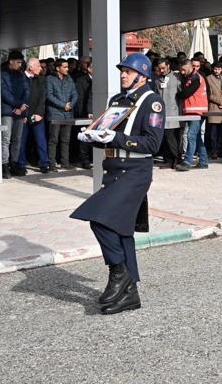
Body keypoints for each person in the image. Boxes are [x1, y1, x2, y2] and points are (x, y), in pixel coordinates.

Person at [70, 53, 164, 315]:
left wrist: (116, 137)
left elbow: (152, 144)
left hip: (135, 170)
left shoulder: (152, 102)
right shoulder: (117, 101)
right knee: (121, 230)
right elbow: (108, 135)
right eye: (122, 70)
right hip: (113, 169)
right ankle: (130, 294)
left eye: (128, 71)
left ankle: (118, 274)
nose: (123, 74)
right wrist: (94, 137)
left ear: (142, 76)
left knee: (98, 219)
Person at [18, 57, 51, 174]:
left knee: (41, 140)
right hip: (23, 116)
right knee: (21, 142)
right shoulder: (20, 78)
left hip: (37, 115)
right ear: (31, 67)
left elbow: (43, 98)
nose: (40, 68)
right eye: (38, 66)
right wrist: (24, 115)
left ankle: (44, 163)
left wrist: (39, 113)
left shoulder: (41, 79)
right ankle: (21, 164)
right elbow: (18, 98)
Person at [175, 59, 209, 171]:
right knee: (197, 137)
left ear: (189, 67)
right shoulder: (190, 77)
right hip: (193, 111)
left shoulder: (196, 77)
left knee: (190, 136)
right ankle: (203, 161)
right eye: (181, 70)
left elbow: (187, 93)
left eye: (184, 70)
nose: (182, 72)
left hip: (197, 111)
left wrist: (178, 94)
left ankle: (187, 162)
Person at [0, 51, 29, 179]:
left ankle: (14, 163)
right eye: (18, 62)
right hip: (7, 110)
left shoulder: (21, 75)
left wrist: (22, 106)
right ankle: (4, 165)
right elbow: (4, 93)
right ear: (11, 61)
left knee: (17, 139)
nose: (20, 64)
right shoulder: (2, 74)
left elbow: (27, 91)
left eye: (21, 62)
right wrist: (17, 105)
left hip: (19, 111)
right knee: (5, 139)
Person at [46, 58, 78, 171]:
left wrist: (70, 105)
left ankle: (65, 162)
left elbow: (75, 94)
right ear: (57, 68)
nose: (67, 69)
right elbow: (49, 96)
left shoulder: (69, 78)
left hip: (68, 113)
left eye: (67, 67)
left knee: (66, 140)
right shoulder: (49, 79)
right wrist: (63, 105)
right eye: (65, 67)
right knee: (53, 139)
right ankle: (52, 164)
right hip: (55, 113)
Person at [151, 58, 182, 168]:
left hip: (174, 112)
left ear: (168, 66)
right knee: (163, 137)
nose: (162, 70)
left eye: (163, 68)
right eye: (159, 68)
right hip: (161, 113)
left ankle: (177, 159)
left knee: (172, 137)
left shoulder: (176, 77)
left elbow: (182, 93)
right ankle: (167, 160)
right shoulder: (157, 79)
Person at [205, 61, 222, 159]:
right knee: (213, 132)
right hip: (213, 107)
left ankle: (221, 151)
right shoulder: (208, 79)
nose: (217, 71)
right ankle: (213, 151)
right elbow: (208, 94)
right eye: (215, 69)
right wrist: (220, 102)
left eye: (219, 69)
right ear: (212, 69)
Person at [75, 60, 94, 169]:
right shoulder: (81, 81)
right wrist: (87, 112)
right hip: (85, 112)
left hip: (97, 111)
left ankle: (92, 157)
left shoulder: (100, 80)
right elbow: (80, 99)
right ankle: (85, 159)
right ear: (89, 69)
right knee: (85, 137)